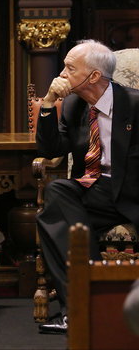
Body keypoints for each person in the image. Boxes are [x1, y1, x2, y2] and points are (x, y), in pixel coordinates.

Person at [35, 39, 139, 334]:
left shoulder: (134, 104)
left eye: (70, 68)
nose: (62, 74)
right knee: (56, 197)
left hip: (129, 193)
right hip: (93, 190)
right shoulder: (72, 104)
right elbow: (49, 148)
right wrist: (46, 104)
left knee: (55, 219)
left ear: (93, 76)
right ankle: (85, 304)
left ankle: (82, 305)